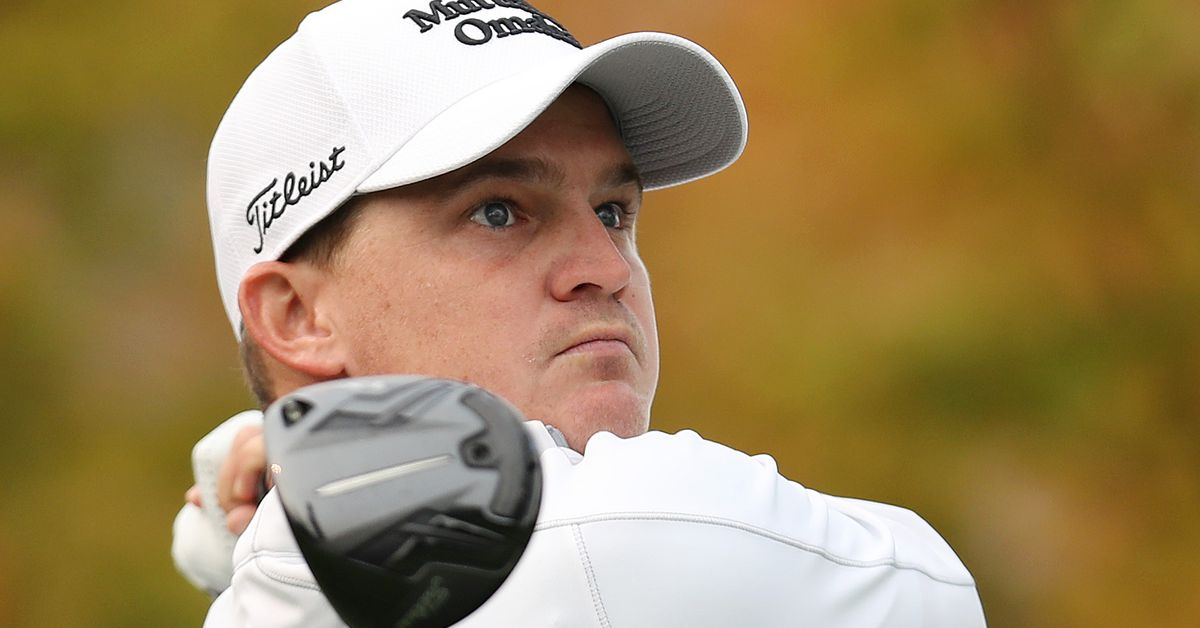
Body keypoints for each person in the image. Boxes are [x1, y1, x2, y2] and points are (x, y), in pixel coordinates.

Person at [173, 0, 988, 625]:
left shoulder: (289, 582)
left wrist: (300, 469)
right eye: (497, 212)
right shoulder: (599, 538)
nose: (608, 268)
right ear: (296, 315)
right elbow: (937, 591)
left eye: (612, 211)